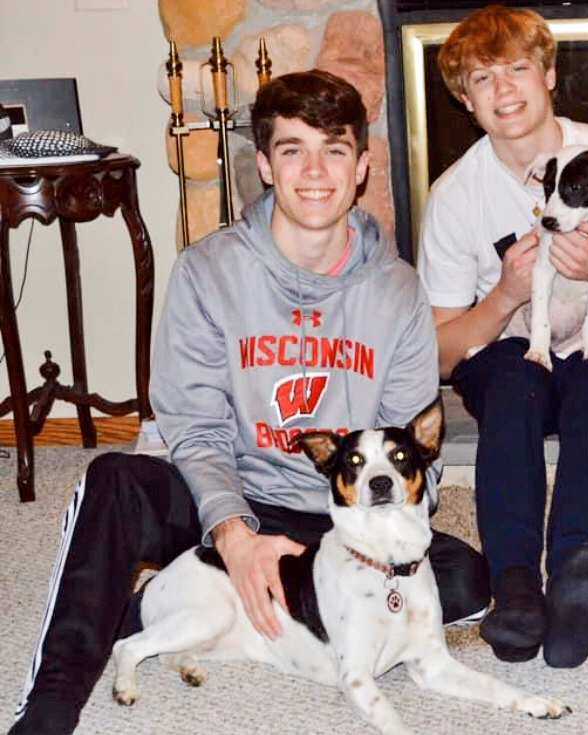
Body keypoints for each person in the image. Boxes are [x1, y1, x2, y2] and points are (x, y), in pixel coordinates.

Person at [8, 69, 490, 735]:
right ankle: (51, 703)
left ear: (363, 167)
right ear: (264, 164)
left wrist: (365, 553)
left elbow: (415, 451)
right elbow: (195, 426)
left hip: (335, 524)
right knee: (113, 481)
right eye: (293, 150)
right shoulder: (210, 270)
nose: (315, 171)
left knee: (466, 579)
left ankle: (182, 602)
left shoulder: (397, 290)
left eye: (335, 149)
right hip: (228, 496)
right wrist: (234, 533)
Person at [417, 5, 588, 668]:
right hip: (510, 353)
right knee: (513, 385)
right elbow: (439, 355)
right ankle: (516, 586)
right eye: (481, 79)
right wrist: (503, 295)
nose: (503, 89)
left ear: (550, 74)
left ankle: (583, 575)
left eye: (517, 69)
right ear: (464, 101)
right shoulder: (455, 195)